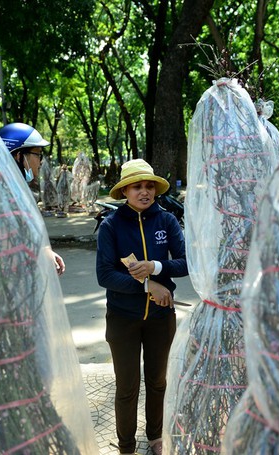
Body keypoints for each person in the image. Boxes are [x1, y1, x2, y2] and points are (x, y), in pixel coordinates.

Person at [96, 159, 188, 455]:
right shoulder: (111, 226)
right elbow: (105, 275)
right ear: (125, 191)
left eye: (149, 186)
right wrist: (149, 285)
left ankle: (156, 436)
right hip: (123, 318)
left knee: (158, 381)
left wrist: (156, 266)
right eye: (137, 186)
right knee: (127, 387)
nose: (145, 192)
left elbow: (187, 263)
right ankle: (125, 446)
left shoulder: (167, 221)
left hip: (162, 317)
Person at [0, 122, 65, 275]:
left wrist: (44, 252)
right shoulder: (2, 196)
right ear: (18, 155)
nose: (40, 161)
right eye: (38, 154)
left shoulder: (15, 191)